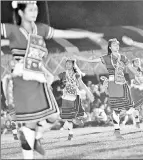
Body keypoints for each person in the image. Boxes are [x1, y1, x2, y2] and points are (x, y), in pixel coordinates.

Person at [1, 1, 104, 158]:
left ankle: (34, 138)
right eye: (30, 10)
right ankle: (29, 143)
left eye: (36, 9)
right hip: (23, 79)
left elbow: (63, 33)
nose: (35, 12)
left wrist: (88, 34)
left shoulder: (40, 29)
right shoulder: (12, 30)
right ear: (21, 12)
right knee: (33, 122)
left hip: (39, 78)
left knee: (53, 117)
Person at [74, 38, 143, 140]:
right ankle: (117, 130)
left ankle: (133, 119)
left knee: (129, 107)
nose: (116, 46)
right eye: (114, 44)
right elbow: (92, 60)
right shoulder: (106, 58)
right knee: (117, 108)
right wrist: (80, 58)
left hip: (123, 83)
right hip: (113, 83)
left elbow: (132, 69)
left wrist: (140, 72)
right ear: (110, 47)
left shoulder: (123, 58)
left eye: (117, 44)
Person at [57, 60, 90, 140]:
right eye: (66, 64)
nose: (67, 65)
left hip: (75, 96)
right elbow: (57, 80)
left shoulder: (77, 74)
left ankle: (79, 120)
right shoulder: (63, 74)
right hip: (66, 96)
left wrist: (89, 93)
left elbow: (82, 84)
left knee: (81, 116)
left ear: (73, 65)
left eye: (69, 64)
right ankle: (70, 133)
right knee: (69, 117)